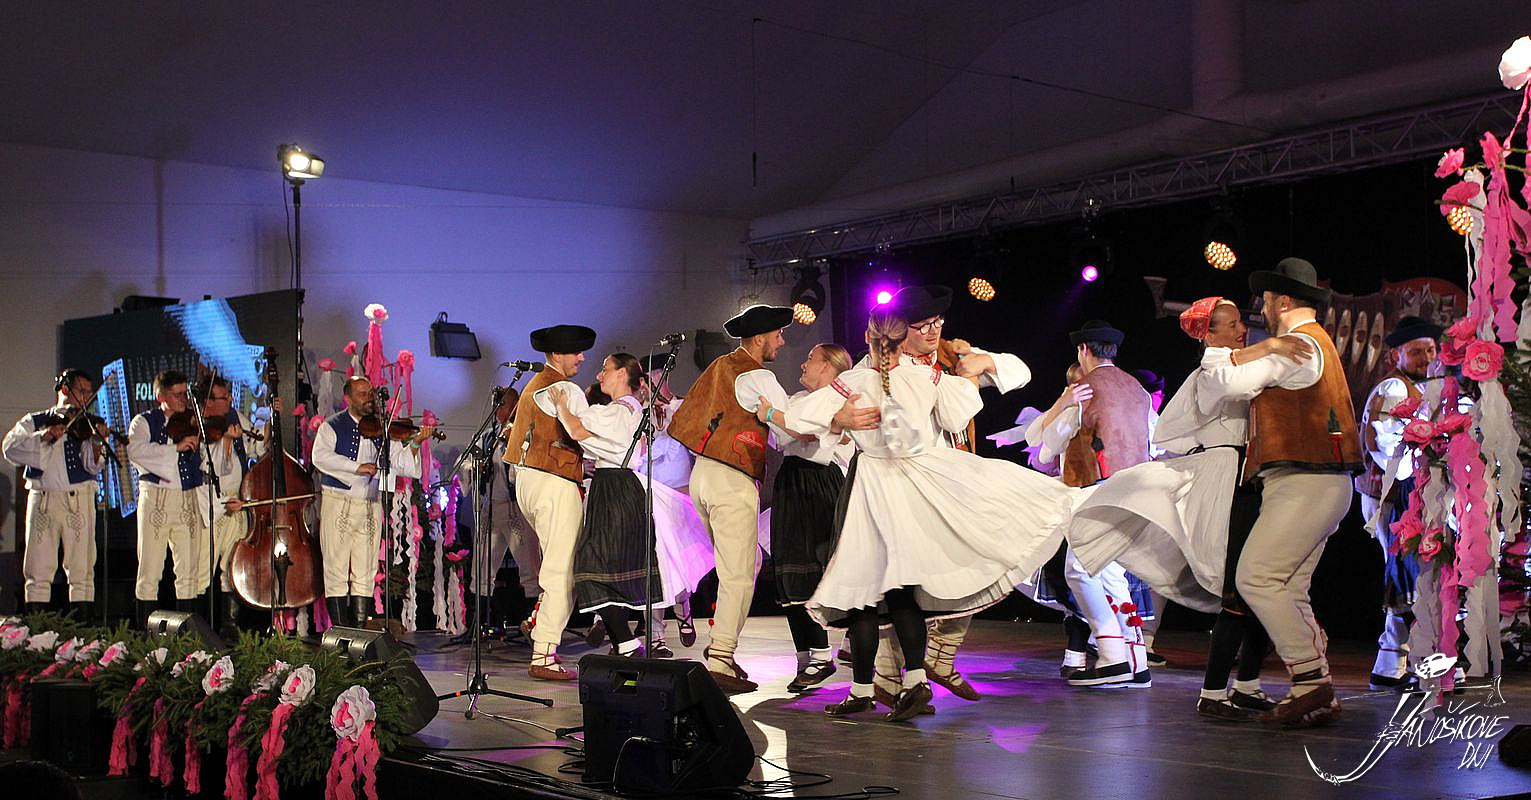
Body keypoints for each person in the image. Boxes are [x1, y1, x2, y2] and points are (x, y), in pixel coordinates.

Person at [786, 306, 1079, 721]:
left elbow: (798, 416)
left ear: (869, 338)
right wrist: (971, 375)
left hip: (873, 489)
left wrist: (833, 417)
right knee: (901, 591)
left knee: (862, 592)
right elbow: (960, 412)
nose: (933, 331)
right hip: (916, 488)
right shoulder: (927, 378)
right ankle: (914, 680)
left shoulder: (852, 382)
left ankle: (869, 687)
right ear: (902, 338)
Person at [1065, 297, 1309, 719]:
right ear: (1208, 334)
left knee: (1260, 583)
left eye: (1241, 323)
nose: (1242, 331)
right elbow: (1232, 385)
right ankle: (1213, 690)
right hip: (1226, 476)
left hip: (1249, 474)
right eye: (1232, 324)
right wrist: (1272, 347)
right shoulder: (1214, 369)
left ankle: (1246, 683)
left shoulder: (1237, 364)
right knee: (1240, 584)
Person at [669, 305, 877, 692]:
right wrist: (831, 423)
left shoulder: (719, 367)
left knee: (744, 564)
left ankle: (739, 649)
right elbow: (787, 433)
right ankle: (722, 657)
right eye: (778, 335)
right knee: (740, 572)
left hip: (704, 475)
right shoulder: (758, 376)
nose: (782, 343)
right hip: (732, 478)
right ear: (760, 337)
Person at [1198, 257, 1362, 727]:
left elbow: (1222, 386)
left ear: (1284, 301)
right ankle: (1317, 689)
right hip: (1313, 482)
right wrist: (1263, 346)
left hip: (1306, 482)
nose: (1262, 309)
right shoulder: (1306, 343)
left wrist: (1219, 349)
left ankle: (1310, 681)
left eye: (1267, 301)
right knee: (1288, 587)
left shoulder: (1297, 346)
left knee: (1255, 578)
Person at [867, 285, 1037, 708]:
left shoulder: (951, 354)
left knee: (980, 560)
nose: (933, 331)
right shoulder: (879, 365)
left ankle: (941, 655)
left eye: (937, 322)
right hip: (906, 484)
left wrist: (986, 362)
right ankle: (887, 673)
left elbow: (1021, 372)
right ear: (900, 329)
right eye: (922, 325)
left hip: (957, 483)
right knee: (900, 579)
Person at [1028, 320, 1153, 687]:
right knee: (1112, 576)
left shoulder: (1084, 390)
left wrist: (1062, 403)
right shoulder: (1138, 391)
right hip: (1135, 493)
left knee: (1080, 571)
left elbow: (1043, 445)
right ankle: (1137, 661)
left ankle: (1112, 656)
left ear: (1083, 350)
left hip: (1094, 491)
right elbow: (1155, 440)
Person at [540, 352, 668, 658]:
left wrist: (561, 404)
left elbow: (576, 430)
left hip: (615, 488)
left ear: (623, 374)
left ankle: (626, 643)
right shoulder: (629, 411)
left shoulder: (619, 412)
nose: (599, 376)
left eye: (605, 369)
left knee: (592, 566)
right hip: (619, 486)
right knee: (608, 567)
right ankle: (623, 644)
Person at [503, 324, 598, 680]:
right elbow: (586, 434)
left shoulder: (532, 386)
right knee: (563, 570)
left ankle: (539, 620)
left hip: (528, 481)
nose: (582, 358)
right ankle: (543, 653)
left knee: (553, 562)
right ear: (557, 354)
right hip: (554, 482)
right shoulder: (564, 389)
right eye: (576, 352)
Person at [1356, 315, 1442, 688]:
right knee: (1409, 574)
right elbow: (1386, 445)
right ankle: (1425, 661)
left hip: (1412, 498)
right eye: (1417, 351)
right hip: (1391, 498)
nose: (1427, 358)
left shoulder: (1427, 388)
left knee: (1408, 575)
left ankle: (1389, 664)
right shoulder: (1394, 388)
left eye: (1431, 350)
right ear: (1397, 355)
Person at [311, 376, 427, 628]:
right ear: (348, 398)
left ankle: (360, 632)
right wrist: (356, 467)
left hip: (370, 503)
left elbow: (402, 464)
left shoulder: (382, 428)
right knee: (336, 569)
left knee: (365, 569)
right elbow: (320, 457)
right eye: (362, 394)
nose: (369, 399)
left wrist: (415, 444)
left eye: (370, 393)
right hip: (339, 501)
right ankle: (341, 631)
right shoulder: (332, 426)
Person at [774, 343, 856, 692]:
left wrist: (769, 413)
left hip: (819, 483)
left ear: (826, 366)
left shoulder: (840, 401)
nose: (803, 364)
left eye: (810, 359)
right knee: (788, 570)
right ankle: (806, 655)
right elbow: (782, 438)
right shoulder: (797, 400)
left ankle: (824, 654)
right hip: (792, 479)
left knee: (814, 566)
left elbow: (804, 434)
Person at [3, 369, 106, 616]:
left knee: (82, 570)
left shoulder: (87, 424)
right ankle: (38, 625)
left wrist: (96, 443)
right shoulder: (35, 420)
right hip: (44, 498)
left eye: (89, 393)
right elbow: (9, 448)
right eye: (82, 391)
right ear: (65, 390)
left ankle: (83, 629)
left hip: (79, 498)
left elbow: (93, 466)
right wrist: (45, 435)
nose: (87, 397)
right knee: (38, 568)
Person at [127, 370, 206, 624]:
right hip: (157, 498)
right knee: (150, 567)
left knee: (188, 569)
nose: (184, 399)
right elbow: (135, 451)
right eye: (177, 394)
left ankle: (187, 631)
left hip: (188, 496)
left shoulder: (194, 420)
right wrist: (175, 448)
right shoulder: (144, 422)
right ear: (161, 396)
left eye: (185, 393)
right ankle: (144, 630)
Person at [192, 375, 268, 635]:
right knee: (203, 567)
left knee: (231, 565)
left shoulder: (236, 418)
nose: (229, 401)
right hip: (210, 501)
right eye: (223, 398)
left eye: (228, 396)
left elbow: (256, 445)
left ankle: (229, 627)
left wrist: (270, 424)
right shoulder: (198, 425)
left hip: (237, 499)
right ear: (207, 402)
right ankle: (198, 630)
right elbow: (212, 468)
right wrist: (225, 441)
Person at [476, 386, 542, 633]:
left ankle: (533, 624)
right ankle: (481, 624)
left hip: (516, 507)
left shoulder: (524, 432)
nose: (499, 409)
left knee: (529, 566)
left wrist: (511, 443)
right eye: (497, 404)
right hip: (492, 506)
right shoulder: (488, 436)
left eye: (504, 404)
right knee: (482, 566)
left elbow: (524, 470)